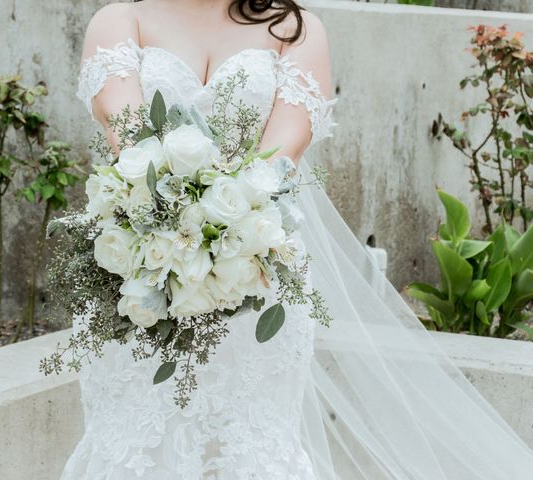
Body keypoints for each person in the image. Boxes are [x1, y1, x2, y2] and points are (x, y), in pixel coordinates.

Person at [60, 1, 533, 478]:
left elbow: (284, 150)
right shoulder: (121, 20)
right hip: (139, 272)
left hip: (258, 273)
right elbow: (131, 138)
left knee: (251, 445)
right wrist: (182, 231)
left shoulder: (294, 29)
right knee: (136, 441)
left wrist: (225, 232)